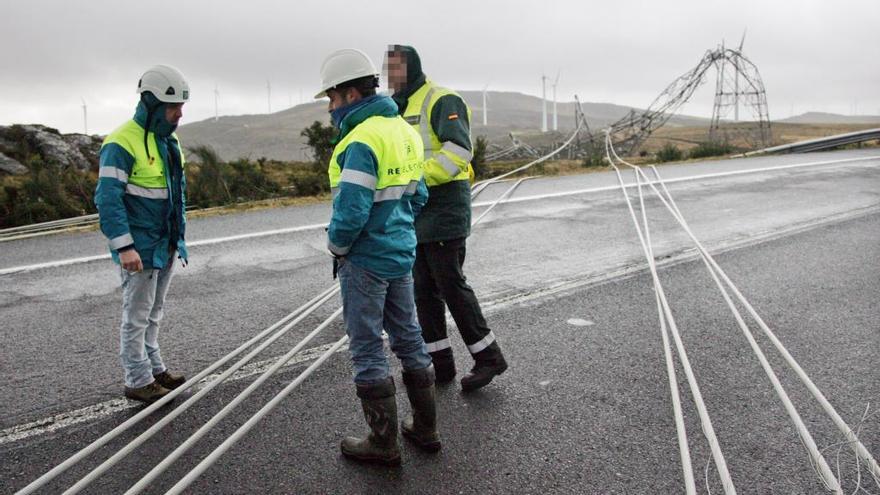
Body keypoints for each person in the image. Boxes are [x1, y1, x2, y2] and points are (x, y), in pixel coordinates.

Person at [317, 48, 441, 465]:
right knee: (409, 336)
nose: (330, 108)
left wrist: (336, 247)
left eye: (331, 99)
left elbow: (351, 212)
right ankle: (425, 429)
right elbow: (419, 194)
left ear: (350, 95)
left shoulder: (360, 140)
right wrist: (398, 227)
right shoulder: (402, 131)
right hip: (400, 254)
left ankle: (383, 442)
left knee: (368, 346)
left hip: (365, 260)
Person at [385, 45, 508, 392]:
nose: (389, 76)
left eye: (395, 67)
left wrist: (415, 178)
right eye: (386, 69)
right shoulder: (397, 107)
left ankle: (489, 358)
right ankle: (439, 364)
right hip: (417, 208)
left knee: (449, 284)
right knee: (422, 289)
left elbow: (458, 150)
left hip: (444, 205)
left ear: (411, 67)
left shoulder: (441, 99)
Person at [94, 65, 190, 404]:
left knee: (154, 311)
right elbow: (107, 200)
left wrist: (178, 239)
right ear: (150, 103)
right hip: (139, 248)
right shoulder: (120, 142)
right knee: (136, 316)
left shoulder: (169, 140)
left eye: (180, 107)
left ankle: (154, 368)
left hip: (164, 243)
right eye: (172, 107)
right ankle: (137, 378)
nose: (179, 114)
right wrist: (125, 248)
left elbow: (174, 193)